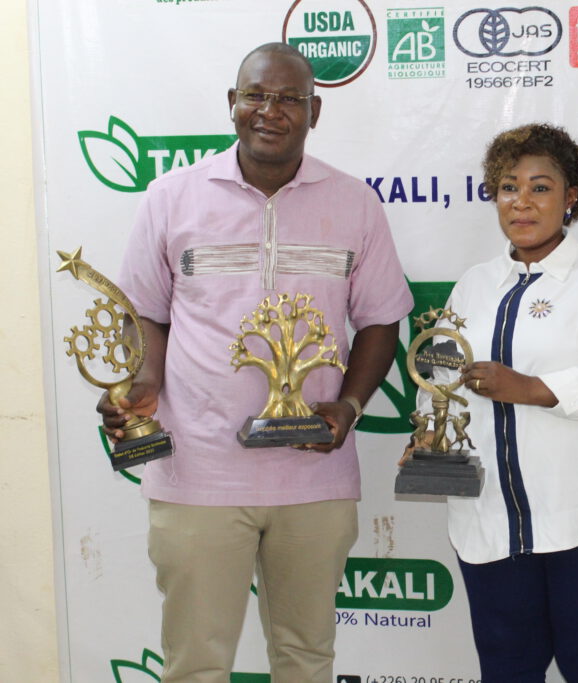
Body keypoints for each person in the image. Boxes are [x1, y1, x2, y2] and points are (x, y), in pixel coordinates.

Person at [98, 43, 413, 682]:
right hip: (197, 473)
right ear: (232, 103)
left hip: (313, 480)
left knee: (306, 659)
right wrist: (144, 382)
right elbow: (145, 313)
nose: (271, 111)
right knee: (195, 664)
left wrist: (350, 407)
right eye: (256, 95)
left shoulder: (354, 203)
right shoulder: (170, 197)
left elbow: (381, 319)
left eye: (290, 99)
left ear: (314, 112)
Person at [413, 124, 578, 681]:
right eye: (508, 187)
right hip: (491, 522)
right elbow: (439, 374)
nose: (521, 202)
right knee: (507, 670)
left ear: (572, 196)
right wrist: (429, 430)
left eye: (540, 187)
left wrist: (533, 389)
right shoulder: (474, 285)